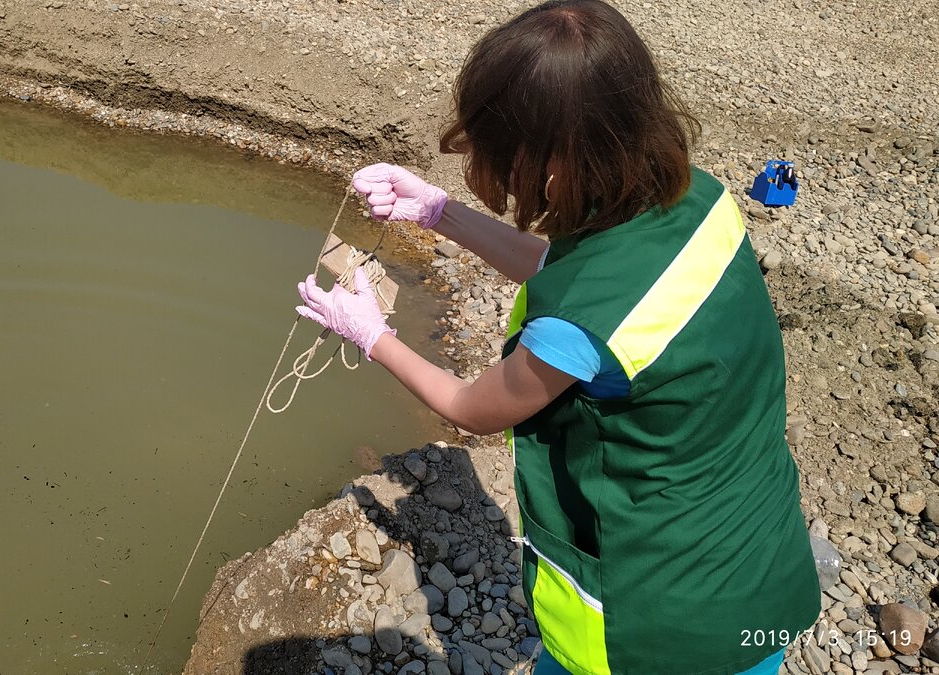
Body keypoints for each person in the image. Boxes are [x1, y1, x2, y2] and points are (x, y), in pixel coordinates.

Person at [294, 1, 821, 673]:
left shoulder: (575, 329)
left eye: (501, 157)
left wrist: (369, 333)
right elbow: (576, 272)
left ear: (553, 162)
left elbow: (470, 407)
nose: (496, 173)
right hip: (762, 567)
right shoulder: (699, 201)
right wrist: (438, 213)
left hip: (658, 626)